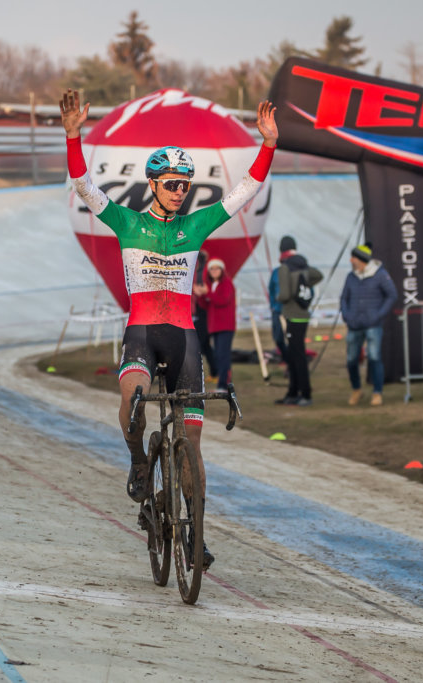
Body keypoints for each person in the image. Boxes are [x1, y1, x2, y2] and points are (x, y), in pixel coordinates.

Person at [59, 89, 278, 568]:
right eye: (173, 184)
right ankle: (138, 459)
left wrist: (267, 146)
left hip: (183, 338)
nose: (181, 192)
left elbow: (245, 192)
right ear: (154, 185)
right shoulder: (126, 221)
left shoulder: (196, 226)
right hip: (142, 330)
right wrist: (74, 135)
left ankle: (195, 534)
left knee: (193, 445)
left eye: (186, 185)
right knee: (133, 396)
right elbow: (82, 185)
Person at [339, 243, 397, 406]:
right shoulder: (351, 276)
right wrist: (346, 314)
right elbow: (344, 297)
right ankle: (356, 389)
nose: (351, 260)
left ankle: (377, 392)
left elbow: (392, 295)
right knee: (351, 359)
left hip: (373, 324)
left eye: (353, 257)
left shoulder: (380, 275)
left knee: (374, 357)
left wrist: (378, 315)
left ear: (361, 259)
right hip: (354, 324)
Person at [276, 243, 323, 406]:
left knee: (297, 356)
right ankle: (294, 391)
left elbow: (284, 294)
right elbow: (319, 275)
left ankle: (304, 393)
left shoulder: (285, 268)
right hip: (303, 314)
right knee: (296, 355)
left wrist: (278, 298)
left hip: (292, 315)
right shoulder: (302, 267)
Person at [194, 258, 236, 390]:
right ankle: (223, 382)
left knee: (223, 354)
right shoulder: (210, 285)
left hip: (225, 325)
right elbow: (206, 305)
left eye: (217, 268)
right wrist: (200, 295)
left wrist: (207, 293)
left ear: (222, 270)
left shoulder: (227, 283)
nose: (214, 271)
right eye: (212, 268)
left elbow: (222, 300)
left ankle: (223, 384)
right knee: (218, 354)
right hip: (215, 326)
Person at [267, 236, 295, 366]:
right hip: (278, 311)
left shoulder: (296, 271)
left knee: (292, 340)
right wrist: (273, 306)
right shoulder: (276, 272)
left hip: (291, 312)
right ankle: (287, 359)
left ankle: (291, 366)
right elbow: (271, 290)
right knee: (278, 339)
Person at [191, 248, 218, 379]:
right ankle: (214, 372)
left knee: (200, 344)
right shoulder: (203, 272)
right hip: (203, 311)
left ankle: (195, 372)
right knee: (206, 345)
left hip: (203, 311)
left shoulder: (201, 273)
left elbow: (203, 290)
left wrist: (197, 290)